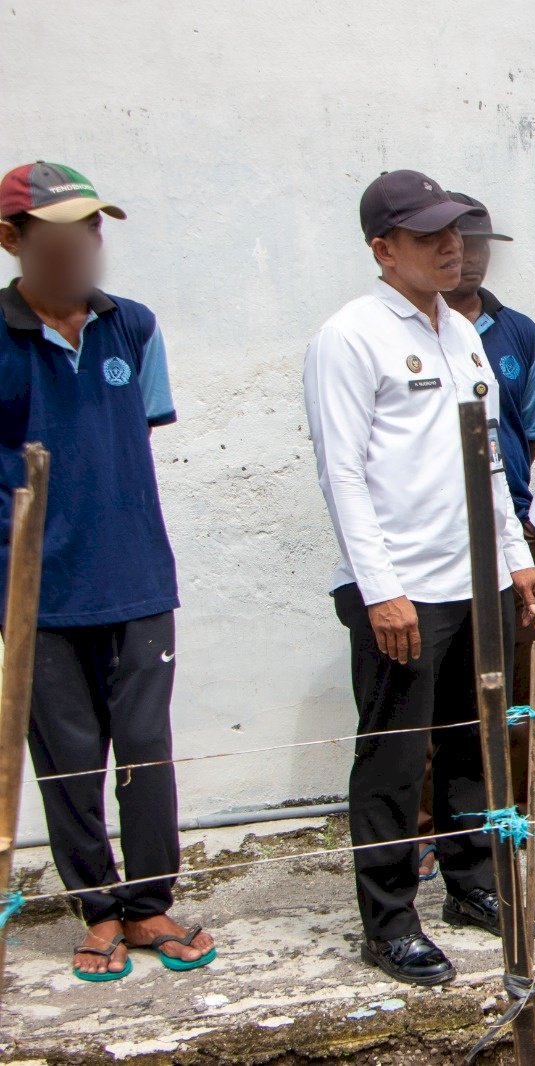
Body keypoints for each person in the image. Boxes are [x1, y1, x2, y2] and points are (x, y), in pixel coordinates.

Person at [303, 169, 535, 985]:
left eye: (455, 232)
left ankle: (472, 886)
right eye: (428, 236)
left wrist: (517, 562)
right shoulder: (352, 336)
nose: (452, 247)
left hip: (473, 580)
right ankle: (388, 923)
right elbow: (342, 473)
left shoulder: (463, 333)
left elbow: (487, 465)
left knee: (472, 746)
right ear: (383, 249)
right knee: (394, 761)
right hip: (399, 591)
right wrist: (381, 590)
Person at [0, 161, 216, 981]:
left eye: (91, 230)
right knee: (66, 759)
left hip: (135, 579)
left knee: (146, 750)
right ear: (13, 240)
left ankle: (151, 902)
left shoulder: (132, 326)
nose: (82, 247)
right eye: (59, 233)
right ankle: (97, 907)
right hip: (37, 596)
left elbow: (133, 444)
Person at [424, 191, 535, 870]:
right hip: (431, 542)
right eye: (458, 243)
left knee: (525, 672)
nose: (469, 258)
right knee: (435, 684)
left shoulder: (519, 334)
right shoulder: (409, 332)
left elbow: (532, 433)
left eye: (481, 245)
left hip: (514, 533)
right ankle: (432, 824)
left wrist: (512, 519)